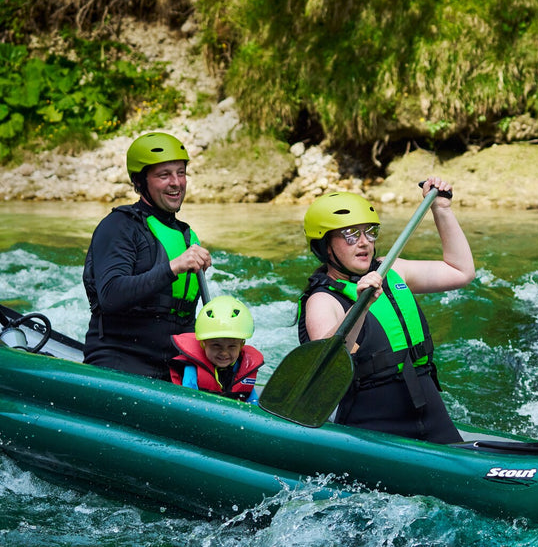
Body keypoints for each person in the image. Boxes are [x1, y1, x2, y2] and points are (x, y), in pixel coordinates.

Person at [298, 178, 475, 443]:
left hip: (429, 411)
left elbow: (461, 272)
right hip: (372, 425)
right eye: (350, 235)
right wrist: (362, 304)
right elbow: (328, 362)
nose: (364, 242)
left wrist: (442, 210)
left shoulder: (392, 270)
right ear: (324, 246)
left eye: (369, 231)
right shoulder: (322, 299)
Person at [82, 131, 212, 380]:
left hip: (176, 366)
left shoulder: (185, 235)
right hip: (122, 360)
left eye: (181, 172)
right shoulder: (119, 226)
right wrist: (172, 268)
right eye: (164, 175)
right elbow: (110, 295)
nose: (176, 182)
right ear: (141, 182)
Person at [169, 295, 264, 403]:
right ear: (203, 343)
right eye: (216, 345)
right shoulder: (192, 369)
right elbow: (188, 402)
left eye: (232, 346)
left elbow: (253, 402)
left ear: (241, 345)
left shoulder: (244, 369)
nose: (224, 353)